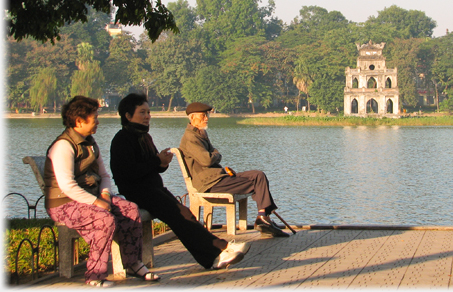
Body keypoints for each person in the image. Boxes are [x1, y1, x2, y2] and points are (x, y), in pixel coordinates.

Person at [110, 93, 249, 271]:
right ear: (128, 116)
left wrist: (162, 163)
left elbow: (152, 167)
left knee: (185, 215)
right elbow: (127, 174)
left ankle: (214, 256)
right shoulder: (121, 140)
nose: (147, 116)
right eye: (142, 112)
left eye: (148, 112)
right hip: (137, 192)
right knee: (179, 215)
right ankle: (221, 248)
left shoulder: (145, 137)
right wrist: (156, 161)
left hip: (154, 189)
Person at [44, 96, 158, 287]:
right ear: (79, 121)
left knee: (130, 209)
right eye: (94, 118)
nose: (98, 121)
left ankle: (133, 263)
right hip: (64, 203)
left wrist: (105, 195)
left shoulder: (90, 142)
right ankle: (95, 275)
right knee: (103, 220)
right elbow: (67, 186)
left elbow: (104, 175)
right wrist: (97, 203)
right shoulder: (63, 146)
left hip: (92, 196)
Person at [179, 102, 289, 238]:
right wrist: (215, 155)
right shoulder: (190, 138)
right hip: (211, 184)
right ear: (192, 118)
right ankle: (264, 219)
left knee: (259, 175)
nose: (206, 118)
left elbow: (213, 154)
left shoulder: (201, 134)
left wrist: (214, 155)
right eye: (203, 116)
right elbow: (207, 159)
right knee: (257, 183)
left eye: (207, 115)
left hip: (219, 178)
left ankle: (263, 216)